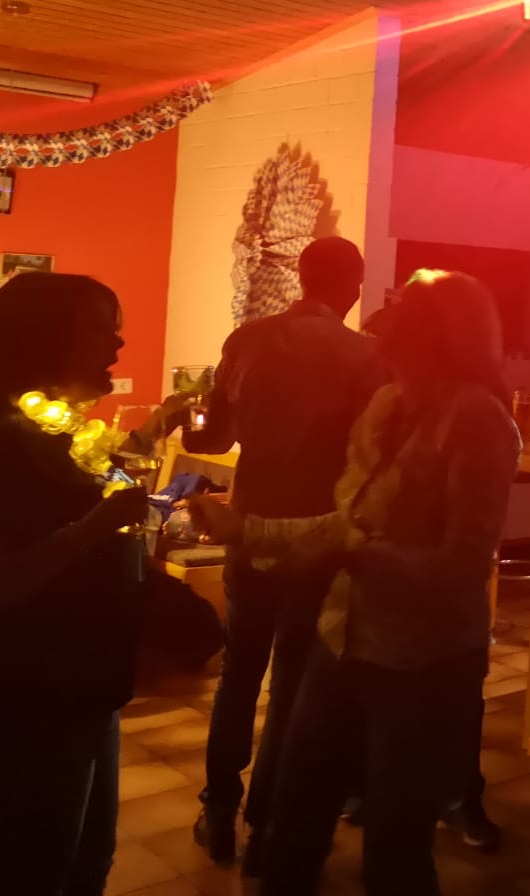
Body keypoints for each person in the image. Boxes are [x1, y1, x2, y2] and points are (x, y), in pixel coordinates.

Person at [190, 269, 518, 896]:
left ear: (441, 339)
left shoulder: (477, 419)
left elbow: (462, 564)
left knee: (395, 853)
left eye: (404, 327)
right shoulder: (387, 407)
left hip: (424, 660)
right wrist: (245, 530)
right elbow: (348, 526)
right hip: (342, 638)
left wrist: (357, 556)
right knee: (295, 822)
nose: (387, 338)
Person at [188, 236, 386, 870]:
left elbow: (215, 437)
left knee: (239, 674)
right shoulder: (366, 355)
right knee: (292, 683)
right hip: (314, 537)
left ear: (302, 278)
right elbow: (370, 454)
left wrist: (186, 417)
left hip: (249, 525)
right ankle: (265, 824)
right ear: (353, 285)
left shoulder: (246, 340)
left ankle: (219, 811)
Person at [0, 273, 151, 894]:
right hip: (34, 703)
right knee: (35, 865)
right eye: (103, 328)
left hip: (86, 690)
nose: (119, 344)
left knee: (88, 853)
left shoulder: (49, 427)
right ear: (46, 337)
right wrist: (98, 524)